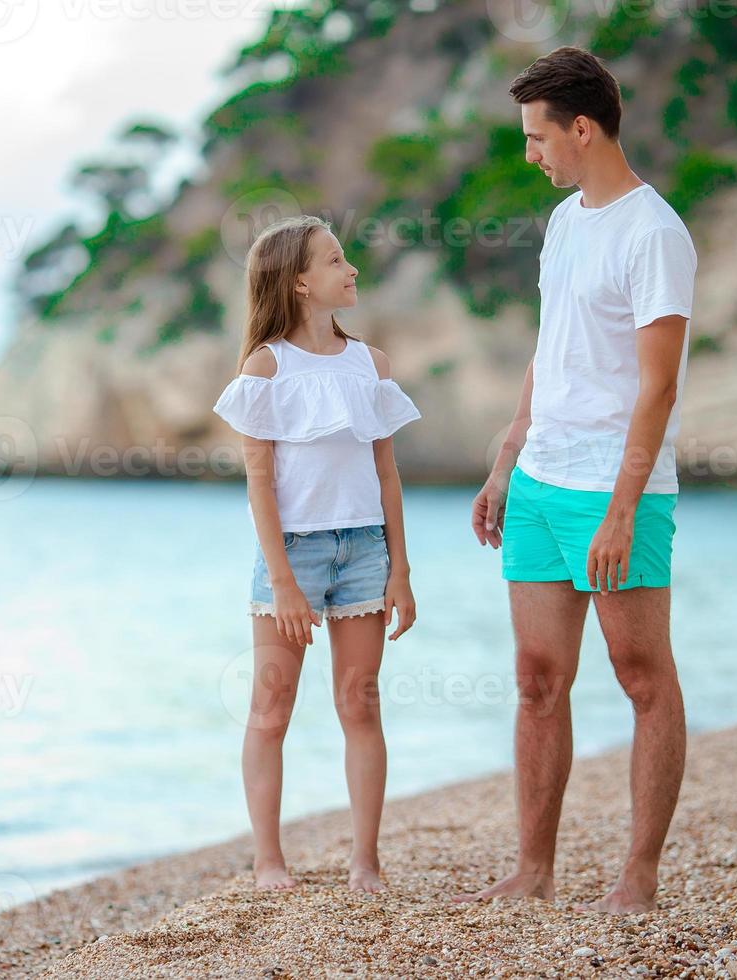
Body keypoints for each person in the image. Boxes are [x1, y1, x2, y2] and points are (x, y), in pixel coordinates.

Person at [458, 46, 698, 914]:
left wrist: (623, 508)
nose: (532, 154)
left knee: (642, 677)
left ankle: (638, 876)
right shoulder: (567, 224)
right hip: (541, 481)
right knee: (536, 679)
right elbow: (549, 351)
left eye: (537, 137)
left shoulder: (655, 233)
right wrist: (505, 459)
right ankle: (534, 870)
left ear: (583, 129)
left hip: (614, 488)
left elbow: (659, 384)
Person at [212, 214, 421, 893]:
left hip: (365, 549)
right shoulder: (266, 366)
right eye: (336, 260)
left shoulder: (373, 364)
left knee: (360, 704)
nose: (350, 268)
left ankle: (366, 862)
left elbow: (387, 474)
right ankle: (268, 862)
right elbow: (259, 482)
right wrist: (283, 584)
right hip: (291, 559)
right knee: (271, 709)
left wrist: (401, 571)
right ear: (301, 283)